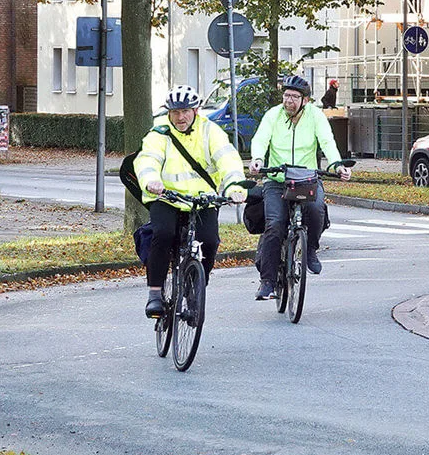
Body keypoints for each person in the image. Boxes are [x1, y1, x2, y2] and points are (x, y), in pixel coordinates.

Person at [135, 84, 247, 317]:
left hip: (203, 200)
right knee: (162, 234)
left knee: (210, 241)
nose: (180, 117)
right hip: (166, 197)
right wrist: (151, 180)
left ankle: (195, 288)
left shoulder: (211, 132)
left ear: (195, 111)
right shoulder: (160, 132)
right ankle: (155, 293)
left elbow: (228, 160)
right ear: (168, 113)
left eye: (185, 111)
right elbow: (147, 159)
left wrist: (234, 186)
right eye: (175, 112)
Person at [249, 74, 351, 300]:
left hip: (307, 179)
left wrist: (337, 165)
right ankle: (267, 282)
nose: (289, 101)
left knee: (316, 210)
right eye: (286, 96)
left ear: (305, 100)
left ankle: (311, 250)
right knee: (274, 225)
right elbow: (261, 139)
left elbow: (327, 142)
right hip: (277, 180)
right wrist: (257, 159)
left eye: (294, 97)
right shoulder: (273, 115)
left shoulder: (316, 116)